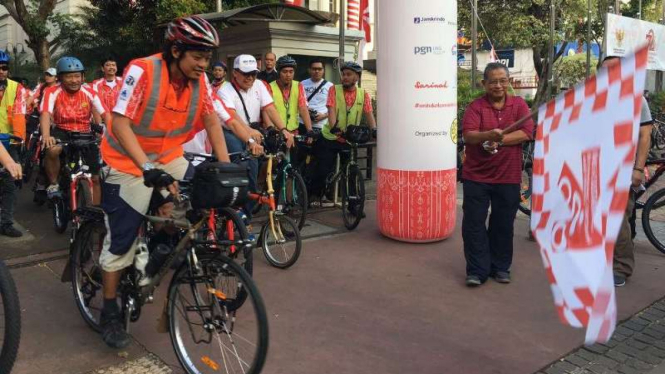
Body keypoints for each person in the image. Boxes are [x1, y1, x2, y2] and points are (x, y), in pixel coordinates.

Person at [98, 16, 231, 349]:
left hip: (166, 155)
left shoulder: (198, 83)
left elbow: (212, 121)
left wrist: (225, 168)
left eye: (208, 57)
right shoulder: (142, 71)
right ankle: (110, 310)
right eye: (198, 56)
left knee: (193, 202)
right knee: (121, 241)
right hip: (125, 160)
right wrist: (144, 166)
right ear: (176, 50)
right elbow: (119, 123)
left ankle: (157, 249)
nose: (205, 64)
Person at [460, 62, 534, 287]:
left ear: (509, 81)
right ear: (484, 84)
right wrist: (486, 136)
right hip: (476, 177)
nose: (498, 85)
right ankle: (477, 270)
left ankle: (500, 267)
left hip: (508, 177)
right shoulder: (476, 107)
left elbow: (527, 132)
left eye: (503, 80)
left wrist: (499, 140)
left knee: (503, 224)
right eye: (493, 81)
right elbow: (469, 135)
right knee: (473, 224)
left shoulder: (519, 105)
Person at [218, 54, 293, 216]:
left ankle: (249, 208)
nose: (250, 77)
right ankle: (240, 214)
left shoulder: (259, 85)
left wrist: (284, 129)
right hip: (231, 132)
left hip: (253, 130)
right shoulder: (225, 90)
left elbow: (270, 109)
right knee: (245, 166)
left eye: (253, 73)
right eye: (245, 73)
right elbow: (232, 118)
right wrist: (249, 133)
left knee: (263, 161)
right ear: (235, 73)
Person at [603, 56, 653, 287]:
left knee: (618, 219)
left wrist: (638, 168)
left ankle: (621, 267)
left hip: (622, 169)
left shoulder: (636, 100)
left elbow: (644, 136)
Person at [40, 57, 109, 206]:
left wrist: (112, 133)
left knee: (96, 177)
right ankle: (53, 184)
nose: (74, 80)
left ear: (83, 77)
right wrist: (46, 135)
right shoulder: (51, 91)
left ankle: (95, 212)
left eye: (77, 76)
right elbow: (45, 113)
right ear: (60, 78)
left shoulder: (90, 91)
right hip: (62, 131)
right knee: (52, 150)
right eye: (69, 76)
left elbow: (105, 114)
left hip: (85, 132)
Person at [311, 61, 376, 201]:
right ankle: (314, 195)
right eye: (343, 74)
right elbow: (331, 109)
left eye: (348, 74)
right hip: (331, 137)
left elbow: (369, 114)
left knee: (352, 172)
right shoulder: (334, 89)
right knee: (323, 170)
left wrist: (374, 129)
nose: (344, 77)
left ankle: (353, 205)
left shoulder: (363, 94)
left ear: (356, 78)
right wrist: (334, 128)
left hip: (349, 138)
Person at [0, 50, 27, 237]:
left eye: (4, 68)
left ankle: (6, 223)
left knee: (11, 184)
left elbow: (19, 113)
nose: (1, 71)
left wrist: (18, 138)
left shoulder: (17, 88)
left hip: (10, 142)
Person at [301, 58, 333, 131]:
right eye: (314, 69)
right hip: (303, 123)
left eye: (319, 69)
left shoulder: (330, 86)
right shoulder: (302, 84)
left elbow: (335, 107)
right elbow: (296, 103)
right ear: (309, 70)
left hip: (322, 125)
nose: (317, 71)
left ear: (323, 70)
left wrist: (324, 116)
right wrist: (306, 111)